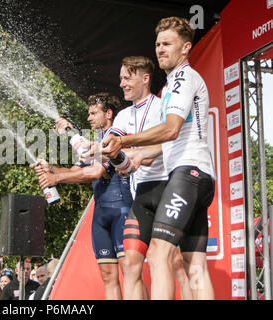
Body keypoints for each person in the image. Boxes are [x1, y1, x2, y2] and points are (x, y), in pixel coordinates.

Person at [102, 16, 215, 300]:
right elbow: (174, 138)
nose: (160, 49)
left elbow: (170, 129)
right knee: (194, 264)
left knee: (158, 252)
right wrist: (139, 156)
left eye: (167, 44)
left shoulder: (182, 77)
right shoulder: (173, 85)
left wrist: (124, 141)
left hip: (187, 174)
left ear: (186, 47)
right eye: (157, 44)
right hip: (198, 175)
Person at [31, 92, 131, 300]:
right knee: (108, 275)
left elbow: (96, 172)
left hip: (122, 210)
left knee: (130, 274)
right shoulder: (94, 142)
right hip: (101, 214)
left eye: (94, 113)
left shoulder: (114, 138)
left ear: (109, 113)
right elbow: (75, 170)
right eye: (88, 113)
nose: (89, 118)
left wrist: (56, 179)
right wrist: (51, 170)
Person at [110, 55, 192, 300]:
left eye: (127, 78)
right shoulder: (122, 116)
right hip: (142, 195)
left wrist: (133, 156)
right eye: (121, 78)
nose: (122, 83)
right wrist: (114, 159)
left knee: (175, 263)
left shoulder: (162, 107)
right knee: (130, 264)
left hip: (168, 188)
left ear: (145, 78)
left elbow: (164, 145)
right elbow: (114, 150)